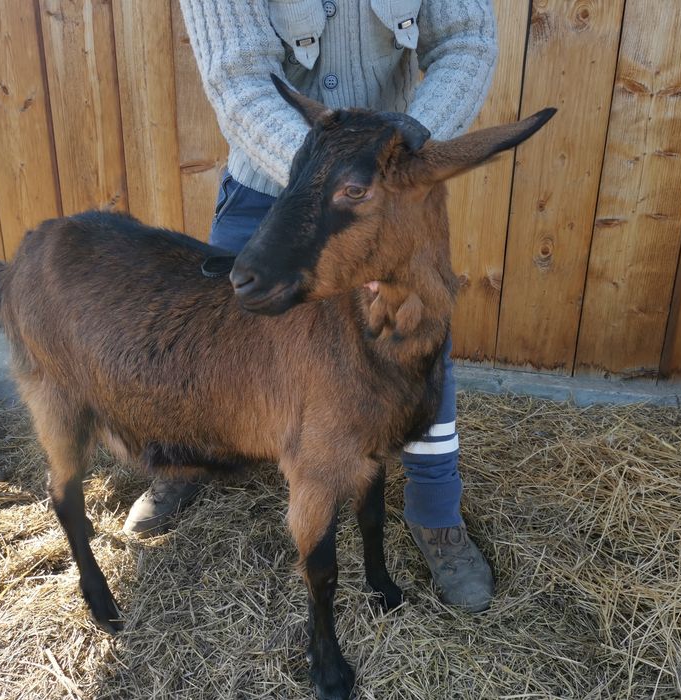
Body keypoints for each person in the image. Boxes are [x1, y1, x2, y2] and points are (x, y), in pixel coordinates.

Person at [124, 0, 498, 612]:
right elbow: (238, 78)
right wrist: (332, 175)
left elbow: (466, 40)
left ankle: (436, 512)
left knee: (413, 350)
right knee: (216, 344)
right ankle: (183, 466)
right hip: (267, 182)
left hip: (387, 196)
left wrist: (396, 161)